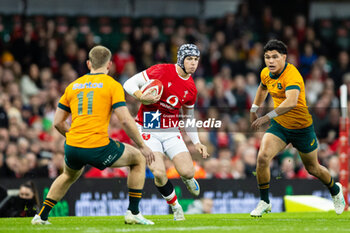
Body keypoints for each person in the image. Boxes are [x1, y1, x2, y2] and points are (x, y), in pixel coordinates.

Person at [31, 45, 155, 225]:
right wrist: (143, 146)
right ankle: (134, 212)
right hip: (97, 145)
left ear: (89, 64)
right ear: (109, 65)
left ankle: (41, 216)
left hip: (72, 145)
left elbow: (57, 122)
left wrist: (74, 136)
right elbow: (126, 120)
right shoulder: (112, 85)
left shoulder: (73, 86)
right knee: (138, 159)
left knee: (68, 175)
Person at [249, 39, 345, 217]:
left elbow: (291, 102)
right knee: (262, 157)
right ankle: (264, 201)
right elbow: (262, 88)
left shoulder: (292, 75)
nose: (270, 61)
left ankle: (335, 190)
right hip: (280, 126)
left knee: (313, 168)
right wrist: (254, 108)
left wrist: (265, 117)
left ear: (284, 57)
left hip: (302, 128)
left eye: (275, 57)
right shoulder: (266, 73)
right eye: (267, 57)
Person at [123, 44, 209, 221]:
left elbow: (188, 117)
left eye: (196, 60)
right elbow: (128, 83)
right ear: (180, 59)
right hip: (148, 127)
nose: (193, 63)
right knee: (159, 173)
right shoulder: (161, 70)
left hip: (171, 129)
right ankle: (175, 207)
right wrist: (140, 96)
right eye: (189, 59)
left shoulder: (191, 88)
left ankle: (188, 178)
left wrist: (197, 142)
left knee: (187, 172)